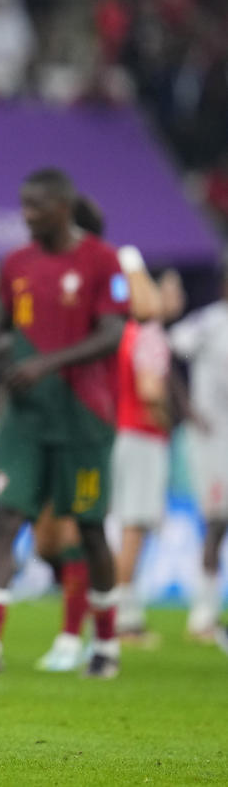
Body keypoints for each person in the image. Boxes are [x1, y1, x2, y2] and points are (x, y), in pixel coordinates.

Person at [0, 168, 128, 678]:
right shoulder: (17, 264)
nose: (27, 216)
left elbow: (113, 334)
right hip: (24, 417)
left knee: (89, 528)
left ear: (63, 208)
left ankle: (106, 644)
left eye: (37, 207)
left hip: (82, 418)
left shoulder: (101, 261)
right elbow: (3, 329)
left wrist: (47, 363)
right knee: (5, 519)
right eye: (23, 205)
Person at [110, 249, 175, 646]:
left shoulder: (120, 332)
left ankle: (120, 613)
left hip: (117, 432)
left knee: (122, 526)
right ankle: (124, 620)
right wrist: (170, 420)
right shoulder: (149, 335)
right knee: (135, 527)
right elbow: (150, 390)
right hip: (142, 436)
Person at [167, 271, 228, 642]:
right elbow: (168, 354)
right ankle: (203, 614)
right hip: (213, 439)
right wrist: (186, 407)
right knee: (218, 522)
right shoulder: (209, 322)